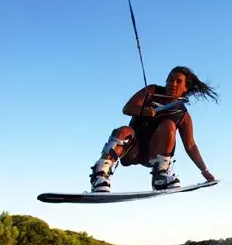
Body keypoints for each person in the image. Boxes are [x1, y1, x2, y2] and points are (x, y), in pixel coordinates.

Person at [89, 66, 218, 193]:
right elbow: (127, 108)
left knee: (169, 125)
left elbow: (190, 146)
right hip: (131, 149)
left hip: (152, 155)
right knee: (123, 131)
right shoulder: (152, 91)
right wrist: (143, 110)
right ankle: (100, 175)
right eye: (170, 79)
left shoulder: (183, 114)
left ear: (185, 88)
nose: (172, 84)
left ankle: (160, 177)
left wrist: (204, 171)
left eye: (178, 81)